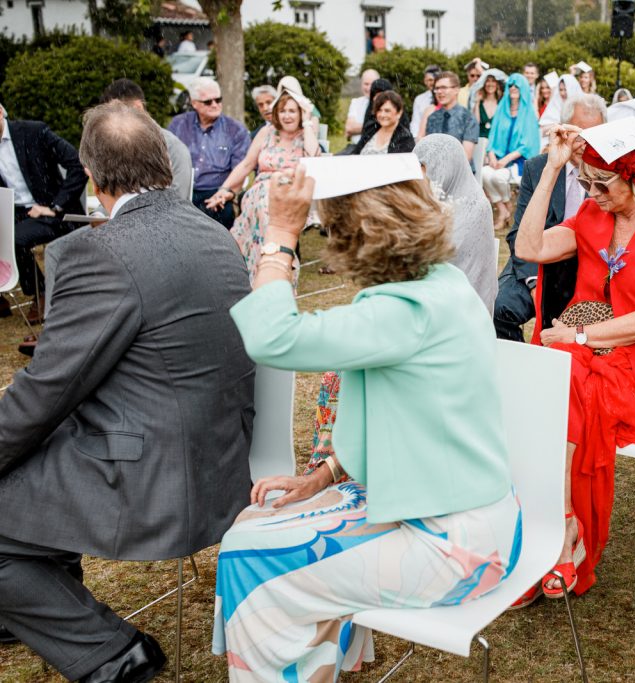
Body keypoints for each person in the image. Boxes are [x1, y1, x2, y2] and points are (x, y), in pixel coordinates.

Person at [212, 158, 519, 680]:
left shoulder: (404, 312)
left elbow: (272, 338)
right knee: (250, 525)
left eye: (334, 231)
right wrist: (322, 476)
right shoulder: (441, 282)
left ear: (361, 237)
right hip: (459, 514)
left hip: (453, 545)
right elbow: (406, 414)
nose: (330, 245)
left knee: (249, 556)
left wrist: (280, 236)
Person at [0, 101, 254, 682]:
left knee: (28, 442)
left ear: (92, 176)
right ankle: (36, 592)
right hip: (223, 458)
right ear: (163, 160)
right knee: (39, 444)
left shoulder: (99, 252)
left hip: (161, 481)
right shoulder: (213, 232)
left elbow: (47, 390)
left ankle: (111, 654)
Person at [513, 118, 635, 601]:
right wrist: (552, 168)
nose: (593, 193)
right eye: (586, 182)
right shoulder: (590, 214)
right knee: (553, 384)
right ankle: (561, 527)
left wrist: (579, 336)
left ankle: (557, 533)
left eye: (603, 184)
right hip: (579, 350)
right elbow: (527, 247)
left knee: (556, 384)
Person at [493, 95, 607, 342]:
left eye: (595, 134)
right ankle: (518, 359)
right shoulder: (537, 167)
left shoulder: (610, 172)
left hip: (587, 266)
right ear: (565, 130)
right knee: (500, 308)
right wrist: (535, 283)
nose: (586, 143)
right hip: (537, 262)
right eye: (580, 134)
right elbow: (517, 234)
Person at [204, 77, 320, 283]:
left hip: (287, 194)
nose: (287, 116)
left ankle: (274, 274)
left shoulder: (306, 134)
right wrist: (224, 188)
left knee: (267, 212)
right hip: (259, 194)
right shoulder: (267, 132)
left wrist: (307, 121)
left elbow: (313, 157)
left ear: (301, 113)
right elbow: (246, 165)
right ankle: (265, 273)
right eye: (282, 111)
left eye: (292, 111)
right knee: (260, 209)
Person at [0, 103, 86, 324]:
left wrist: (56, 206)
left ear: (0, 113)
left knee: (13, 239)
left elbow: (78, 165)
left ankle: (40, 293)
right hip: (17, 211)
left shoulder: (33, 132)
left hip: (51, 210)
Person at [416, 134, 499, 313]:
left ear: (446, 166)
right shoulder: (425, 201)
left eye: (425, 166)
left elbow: (448, 262)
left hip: (460, 306)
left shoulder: (475, 206)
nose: (420, 175)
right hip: (426, 294)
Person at [168, 77, 250, 227]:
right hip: (182, 190)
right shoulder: (179, 125)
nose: (215, 105)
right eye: (208, 102)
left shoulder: (236, 130)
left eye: (218, 100)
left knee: (223, 215)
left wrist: (227, 194)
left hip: (217, 192)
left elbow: (241, 170)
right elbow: (165, 159)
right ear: (194, 103)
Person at [99, 78, 193, 202]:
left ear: (138, 107)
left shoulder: (172, 147)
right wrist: (100, 211)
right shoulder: (116, 145)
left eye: (116, 113)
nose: (112, 120)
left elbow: (178, 199)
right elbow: (110, 193)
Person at [481, 73, 540, 228]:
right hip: (499, 157)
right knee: (484, 173)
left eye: (517, 85)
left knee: (498, 177)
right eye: (510, 85)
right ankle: (505, 208)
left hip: (518, 160)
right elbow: (492, 136)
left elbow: (527, 145)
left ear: (523, 89)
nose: (513, 88)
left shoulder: (528, 112)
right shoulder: (502, 109)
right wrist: (492, 156)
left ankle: (504, 210)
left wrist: (505, 160)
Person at [426, 71, 480, 163]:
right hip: (434, 168)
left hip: (460, 169)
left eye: (444, 87)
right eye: (437, 88)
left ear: (456, 90)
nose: (439, 92)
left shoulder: (468, 118)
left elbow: (466, 156)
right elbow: (428, 150)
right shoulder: (432, 118)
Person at [352, 90, 415, 155]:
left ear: (399, 113)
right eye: (379, 110)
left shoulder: (405, 138)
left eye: (387, 111)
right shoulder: (371, 128)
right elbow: (355, 153)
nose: (382, 115)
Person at [344, 69, 380, 146]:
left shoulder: (385, 103)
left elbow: (383, 126)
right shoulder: (356, 102)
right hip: (355, 146)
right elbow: (349, 128)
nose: (369, 88)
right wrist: (374, 126)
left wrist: (356, 129)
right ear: (361, 84)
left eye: (372, 84)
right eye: (366, 84)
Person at [410, 64, 441, 141]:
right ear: (425, 81)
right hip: (422, 140)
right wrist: (417, 140)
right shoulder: (419, 99)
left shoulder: (446, 98)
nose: (433, 83)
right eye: (429, 80)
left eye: (435, 80)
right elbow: (415, 122)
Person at [474, 72, 504, 140]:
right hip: (480, 140)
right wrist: (477, 103)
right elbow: (475, 124)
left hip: (497, 140)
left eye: (493, 81)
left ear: (497, 84)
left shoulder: (501, 103)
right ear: (484, 84)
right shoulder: (479, 103)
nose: (490, 84)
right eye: (487, 81)